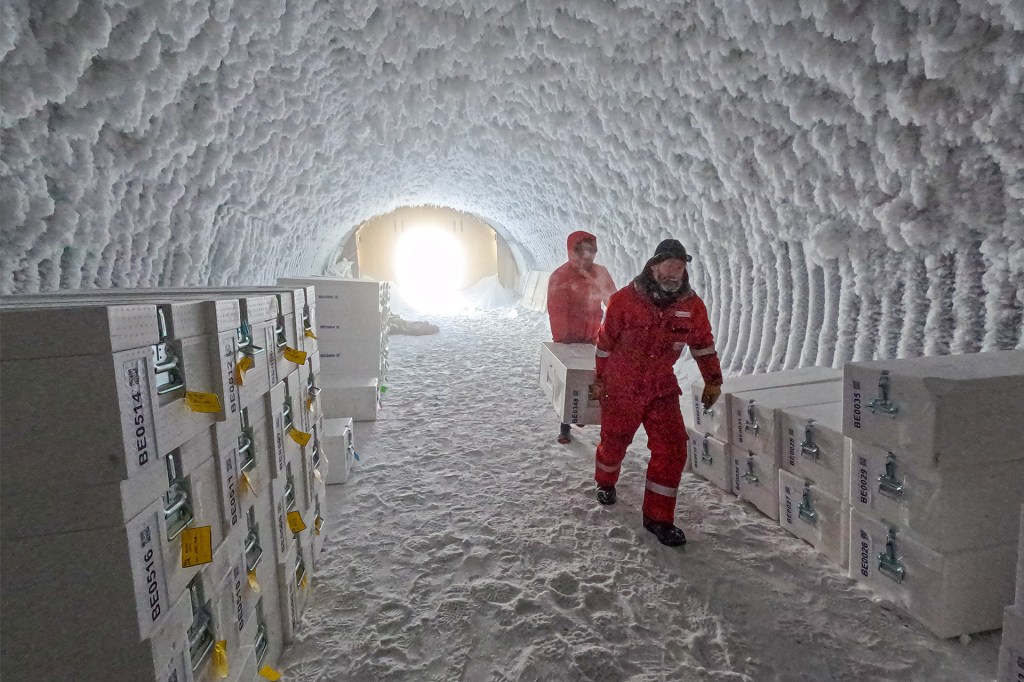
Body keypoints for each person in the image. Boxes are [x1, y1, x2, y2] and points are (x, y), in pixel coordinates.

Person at [590, 238, 722, 547]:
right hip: (622, 385)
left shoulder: (691, 306)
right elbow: (605, 342)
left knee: (673, 447)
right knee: (614, 442)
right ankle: (605, 481)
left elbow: (703, 344)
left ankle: (658, 518)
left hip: (660, 386)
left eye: (679, 267)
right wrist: (600, 379)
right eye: (668, 266)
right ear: (653, 267)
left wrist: (713, 379)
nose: (674, 273)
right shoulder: (625, 300)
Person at [546, 230, 617, 444]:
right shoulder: (560, 277)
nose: (587, 255)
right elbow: (557, 311)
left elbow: (613, 302)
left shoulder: (600, 273)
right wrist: (563, 341)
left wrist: (614, 328)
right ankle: (565, 425)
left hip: (593, 336)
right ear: (572, 251)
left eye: (591, 249)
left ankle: (582, 415)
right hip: (569, 339)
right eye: (582, 250)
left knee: (592, 378)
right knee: (569, 382)